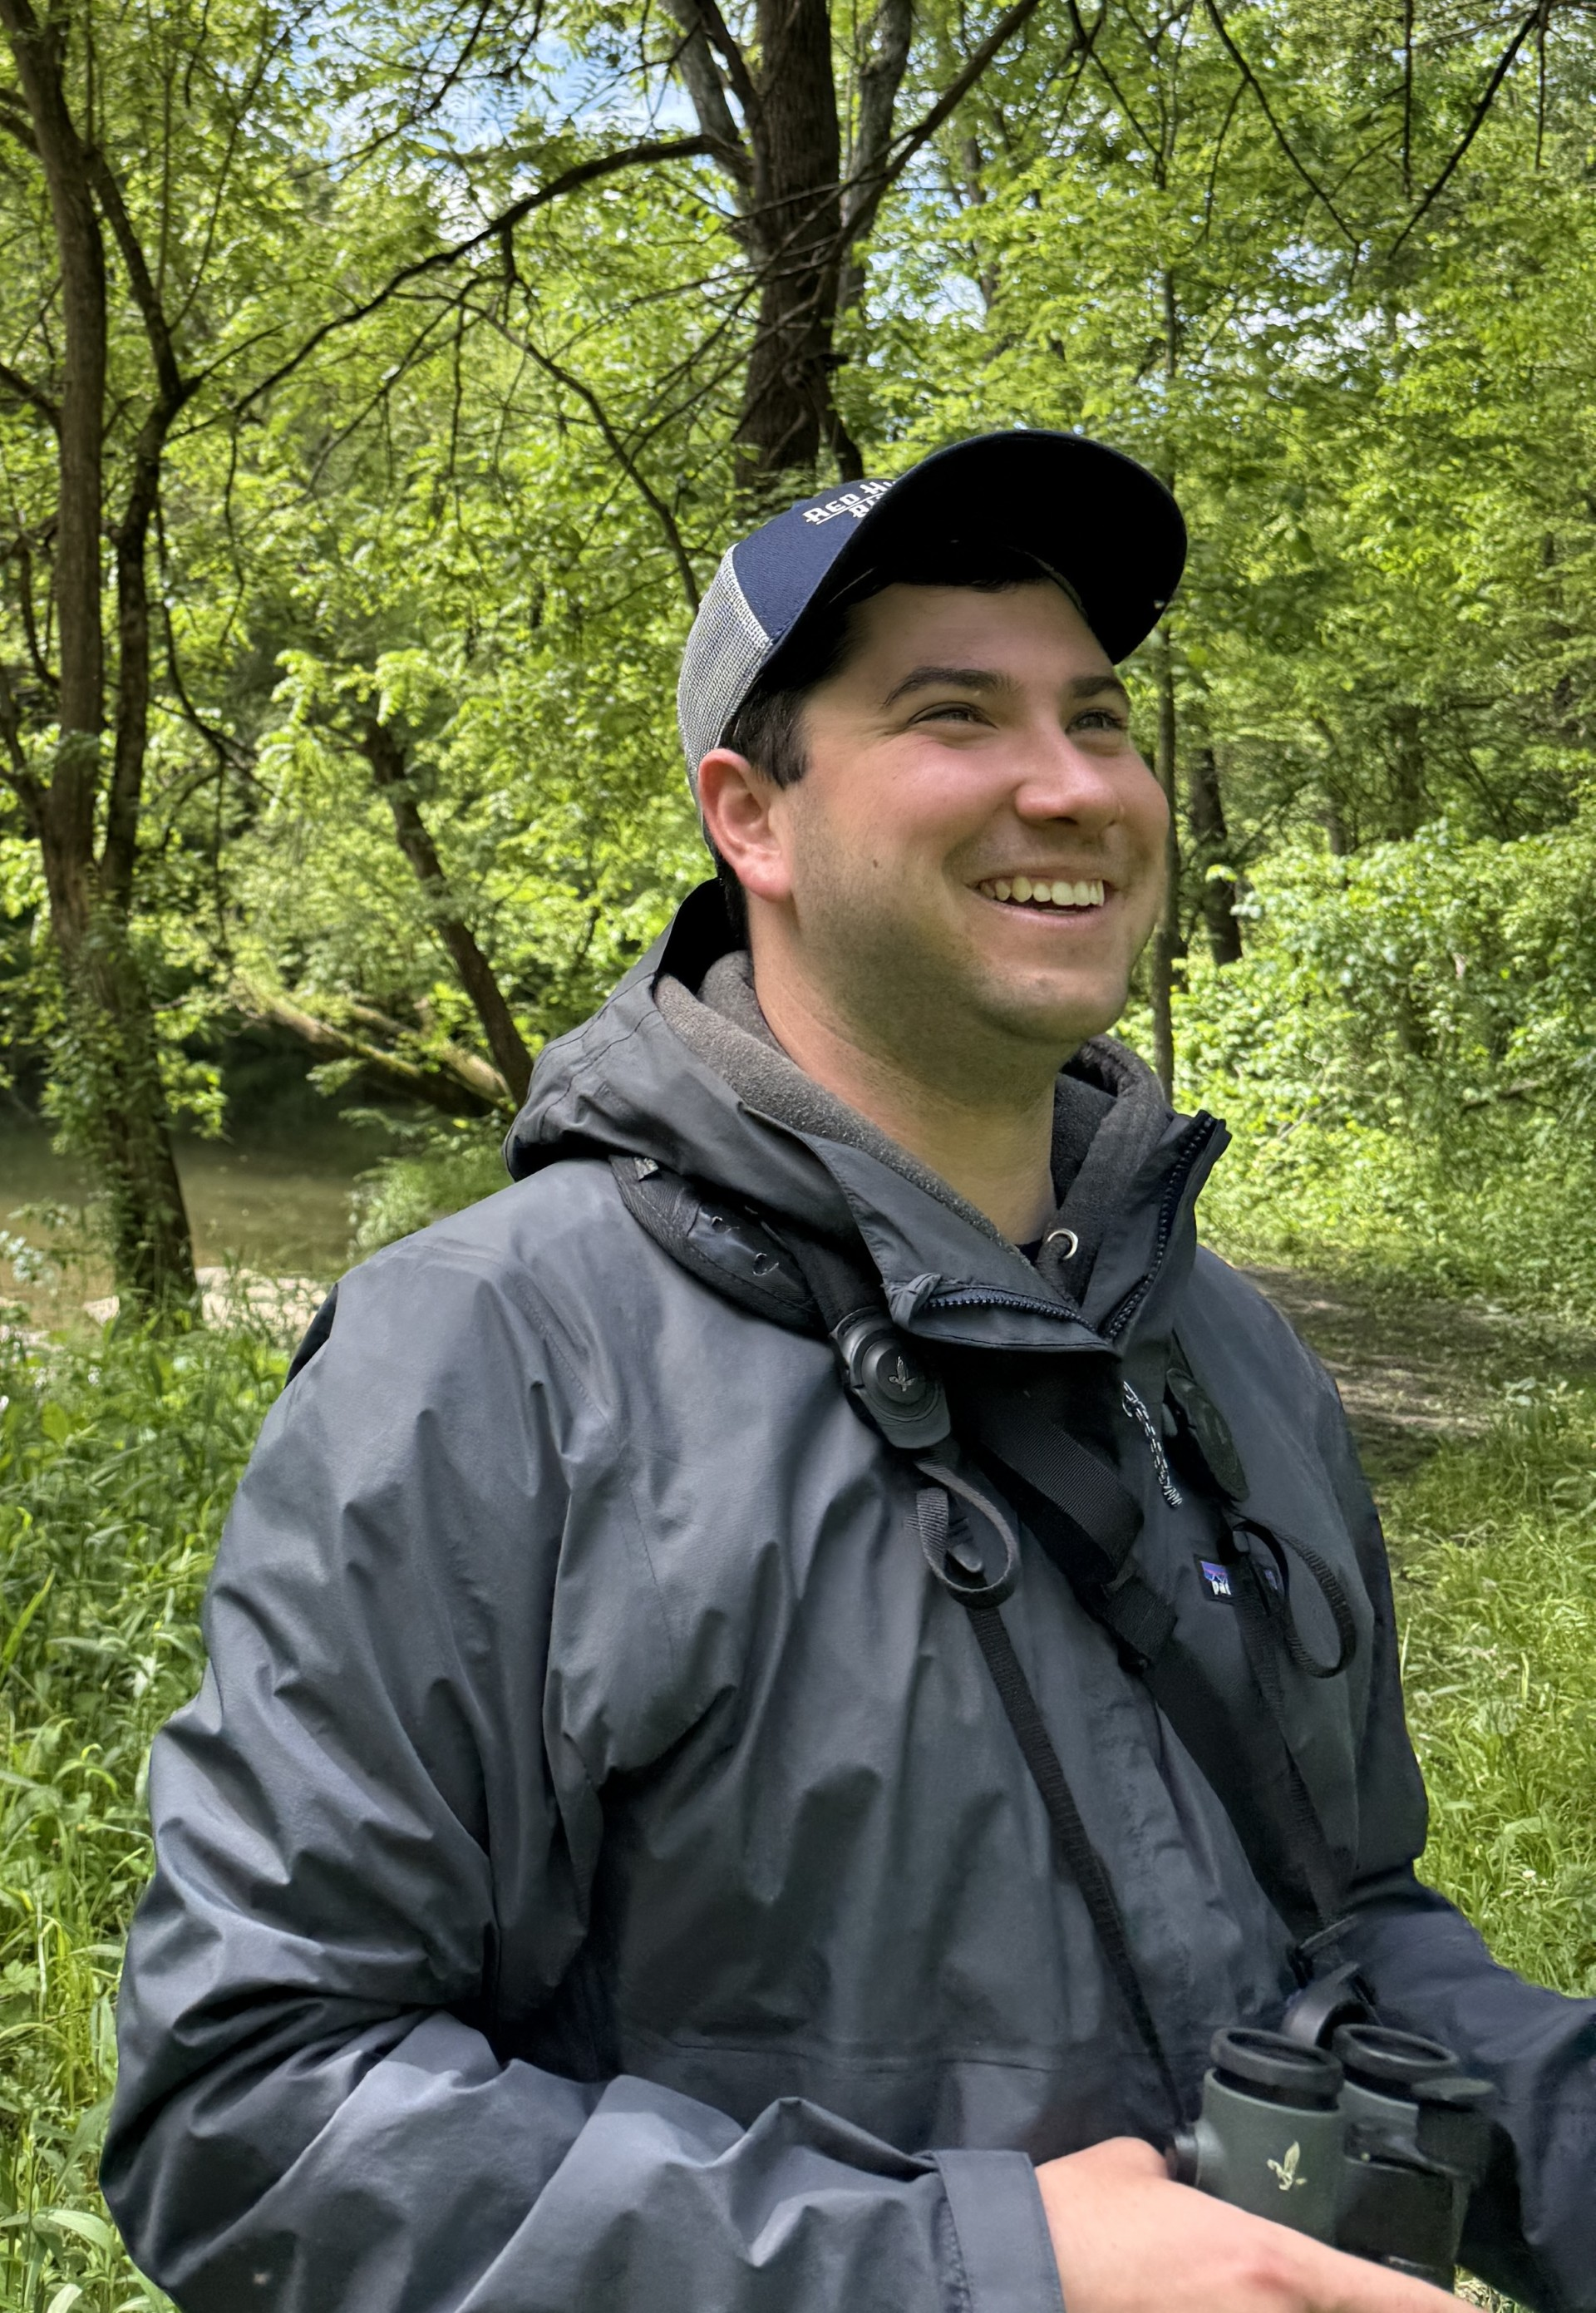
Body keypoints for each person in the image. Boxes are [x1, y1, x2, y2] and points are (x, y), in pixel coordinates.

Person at [103, 431, 1594, 2313]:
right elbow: (254, 2120)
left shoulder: (1226, 1348)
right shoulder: (482, 1361)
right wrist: (986, 2267)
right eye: (956, 715)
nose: (1075, 784)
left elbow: (1347, 1926)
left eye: (1100, 718)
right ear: (754, 818)